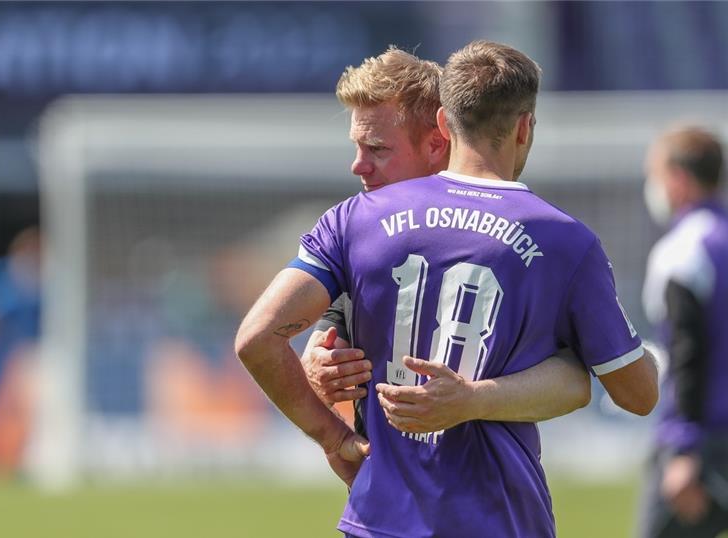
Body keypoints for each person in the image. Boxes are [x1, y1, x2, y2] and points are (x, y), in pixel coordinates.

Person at [235, 40, 659, 537]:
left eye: (375, 149)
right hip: (500, 518)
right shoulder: (564, 241)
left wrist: (333, 436)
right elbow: (637, 394)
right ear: (524, 127)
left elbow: (256, 338)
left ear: (442, 127)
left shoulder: (356, 221)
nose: (359, 165)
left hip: (377, 520)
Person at [302, 47, 592, 434]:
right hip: (385, 483)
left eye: (378, 148)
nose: (358, 165)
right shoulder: (360, 228)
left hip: (488, 482)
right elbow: (330, 327)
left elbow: (576, 377)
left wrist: (475, 399)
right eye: (357, 147)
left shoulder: (522, 234)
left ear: (439, 141)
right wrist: (316, 361)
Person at [639, 126, 728, 537]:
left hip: (707, 440)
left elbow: (688, 351)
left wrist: (683, 449)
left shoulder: (684, 251)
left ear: (677, 178)